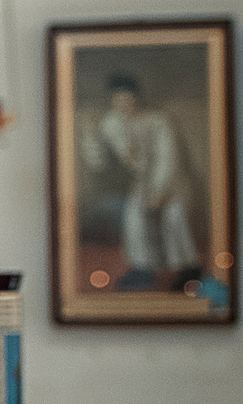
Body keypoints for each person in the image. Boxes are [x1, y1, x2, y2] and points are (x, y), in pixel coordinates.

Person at [81, 73, 200, 287]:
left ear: (136, 98)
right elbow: (99, 162)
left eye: (128, 99)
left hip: (173, 182)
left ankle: (188, 272)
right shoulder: (110, 124)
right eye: (118, 100)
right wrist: (90, 139)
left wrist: (159, 190)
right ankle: (142, 272)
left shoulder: (157, 121)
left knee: (175, 218)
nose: (123, 104)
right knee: (134, 219)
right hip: (142, 183)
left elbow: (168, 156)